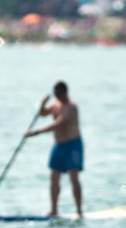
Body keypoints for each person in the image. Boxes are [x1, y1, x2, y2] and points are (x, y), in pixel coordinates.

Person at [25, 81, 83, 218]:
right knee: (54, 177)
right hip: (59, 145)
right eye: (55, 94)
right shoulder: (56, 104)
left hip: (73, 145)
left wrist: (36, 132)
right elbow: (43, 113)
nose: (57, 96)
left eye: (59, 94)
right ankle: (54, 210)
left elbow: (58, 124)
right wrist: (42, 104)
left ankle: (79, 211)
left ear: (65, 92)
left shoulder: (71, 107)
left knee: (73, 177)